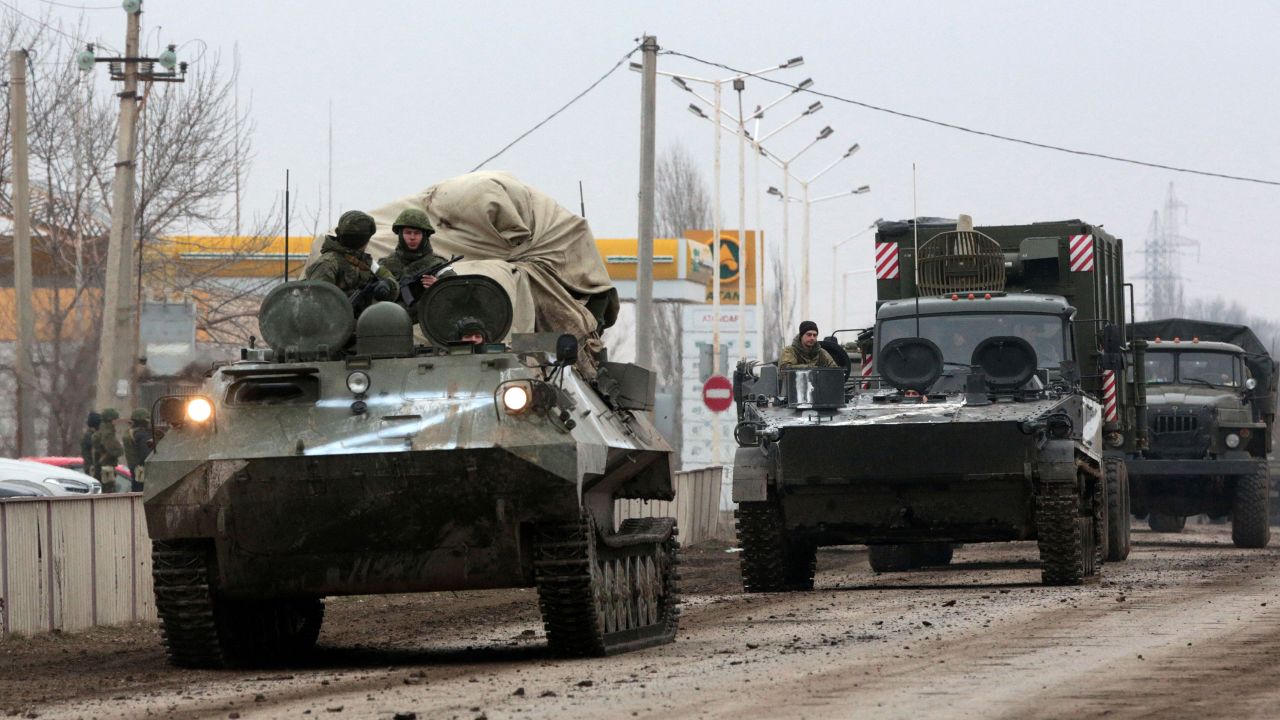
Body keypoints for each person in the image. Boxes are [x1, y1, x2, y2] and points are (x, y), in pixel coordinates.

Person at [305, 210, 397, 302]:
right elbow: (316, 303)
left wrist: (386, 286)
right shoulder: (328, 263)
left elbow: (392, 284)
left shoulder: (367, 263)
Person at [379, 208, 453, 295]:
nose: (412, 237)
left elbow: (458, 292)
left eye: (417, 233)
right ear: (400, 235)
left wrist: (439, 287)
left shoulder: (438, 265)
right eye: (408, 232)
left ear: (425, 236)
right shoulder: (385, 265)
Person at [92, 408, 125, 493]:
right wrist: (119, 450)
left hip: (103, 467)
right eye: (115, 419)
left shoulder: (101, 431)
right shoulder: (107, 433)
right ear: (111, 420)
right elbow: (116, 450)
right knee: (109, 494)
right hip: (107, 468)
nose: (117, 421)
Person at [123, 409, 153, 492]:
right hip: (142, 470)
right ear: (143, 421)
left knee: (136, 491)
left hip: (135, 469)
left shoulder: (130, 432)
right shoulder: (141, 434)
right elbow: (146, 455)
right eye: (147, 419)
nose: (149, 422)